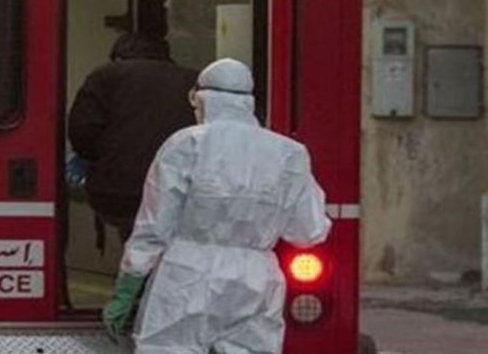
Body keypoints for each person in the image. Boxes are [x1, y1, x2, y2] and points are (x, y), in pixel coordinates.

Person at [102, 58, 331, 354]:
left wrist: (128, 286)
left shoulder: (186, 145)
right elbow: (309, 231)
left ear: (201, 99)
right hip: (256, 279)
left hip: (186, 275)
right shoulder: (290, 154)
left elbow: (155, 226)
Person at [68, 32, 197, 243]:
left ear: (118, 56)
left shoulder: (105, 76)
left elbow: (83, 132)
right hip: (179, 190)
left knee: (134, 237)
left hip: (119, 191)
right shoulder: (193, 80)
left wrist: (100, 160)